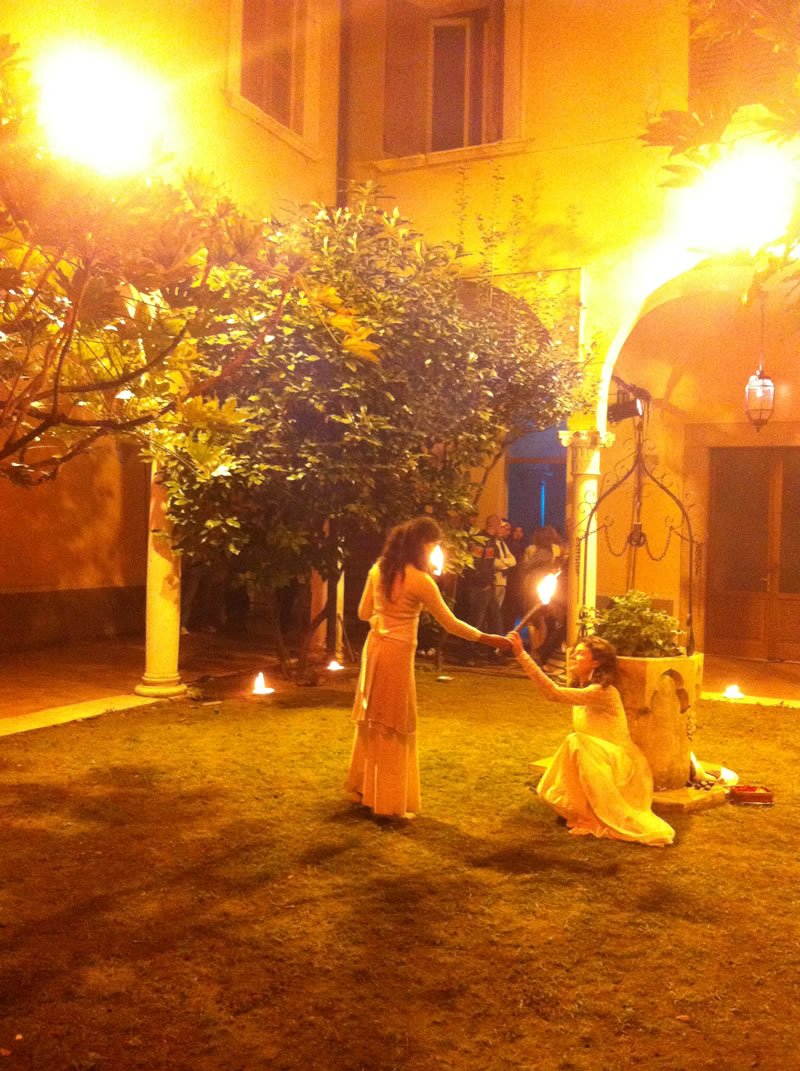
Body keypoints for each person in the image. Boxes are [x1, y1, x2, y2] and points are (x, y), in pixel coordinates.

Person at [346, 517, 511, 819]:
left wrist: (384, 619)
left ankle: (362, 789)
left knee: (373, 718)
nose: (434, 551)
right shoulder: (420, 581)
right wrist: (489, 639)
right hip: (396, 654)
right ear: (421, 545)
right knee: (393, 722)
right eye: (433, 546)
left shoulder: (378, 569)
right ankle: (387, 803)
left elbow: (363, 613)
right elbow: (451, 623)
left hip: (375, 649)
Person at [507, 630, 675, 846]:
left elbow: (553, 693)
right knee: (577, 741)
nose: (572, 656)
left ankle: (593, 815)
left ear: (596, 663)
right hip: (597, 758)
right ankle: (585, 812)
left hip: (618, 763)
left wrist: (521, 654)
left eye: (580, 654)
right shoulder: (583, 688)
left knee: (576, 741)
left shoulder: (603, 692)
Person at [493, 519, 517, 615]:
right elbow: (494, 562)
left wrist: (503, 561)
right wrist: (505, 563)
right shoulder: (492, 543)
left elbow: (513, 561)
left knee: (497, 609)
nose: (506, 532)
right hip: (495, 581)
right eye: (504, 528)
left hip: (503, 581)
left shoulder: (502, 544)